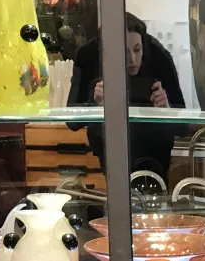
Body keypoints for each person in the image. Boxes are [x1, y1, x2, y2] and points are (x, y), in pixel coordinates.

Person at [67, 14, 186, 177]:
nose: (132, 59)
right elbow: (71, 122)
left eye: (137, 50)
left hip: (155, 155)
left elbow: (184, 127)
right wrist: (95, 104)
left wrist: (167, 108)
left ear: (144, 45)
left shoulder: (159, 55)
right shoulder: (88, 55)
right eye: (124, 52)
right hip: (109, 153)